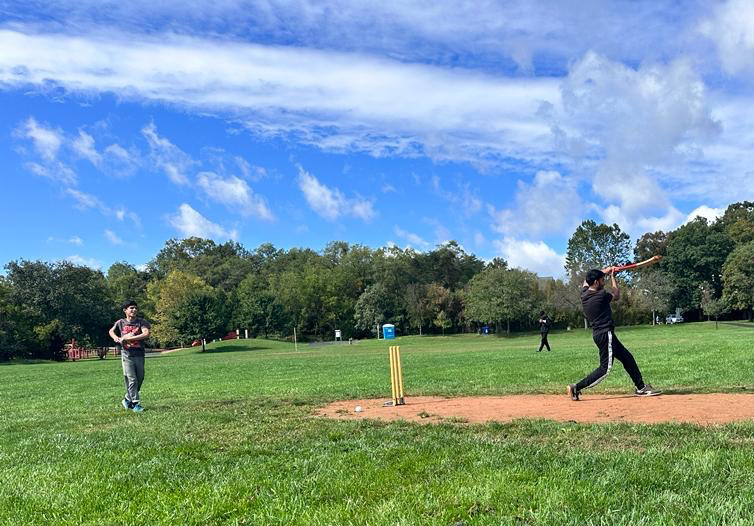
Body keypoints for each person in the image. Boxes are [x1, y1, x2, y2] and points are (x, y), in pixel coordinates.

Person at [567, 267, 661, 401]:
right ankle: (576, 387)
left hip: (602, 334)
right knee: (605, 368)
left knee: (627, 358)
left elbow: (585, 281)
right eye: (601, 280)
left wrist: (606, 271)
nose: (603, 282)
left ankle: (641, 387)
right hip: (606, 334)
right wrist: (613, 277)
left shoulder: (584, 294)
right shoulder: (601, 295)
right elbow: (616, 295)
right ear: (595, 282)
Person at [109, 300, 151, 412]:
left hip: (139, 354)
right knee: (132, 379)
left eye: (136, 308)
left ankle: (127, 398)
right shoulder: (120, 322)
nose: (134, 310)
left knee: (140, 378)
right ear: (125, 310)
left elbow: (146, 333)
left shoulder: (141, 322)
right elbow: (111, 331)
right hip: (126, 354)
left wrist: (128, 338)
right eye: (131, 308)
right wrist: (115, 337)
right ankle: (135, 404)